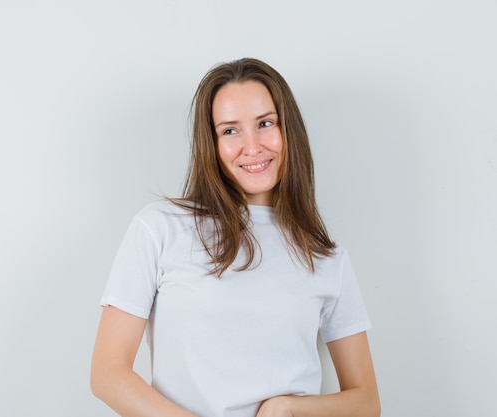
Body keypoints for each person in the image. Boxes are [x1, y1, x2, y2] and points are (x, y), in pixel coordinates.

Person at [91, 58, 380, 417]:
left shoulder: (324, 255)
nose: (253, 145)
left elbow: (366, 401)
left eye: (265, 123)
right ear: (210, 143)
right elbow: (108, 374)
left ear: (288, 129)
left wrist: (288, 408)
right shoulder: (160, 228)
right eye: (230, 130)